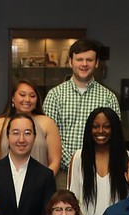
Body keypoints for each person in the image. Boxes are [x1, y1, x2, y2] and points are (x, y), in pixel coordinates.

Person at [42, 39, 121, 187]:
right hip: (62, 174)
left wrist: (89, 163)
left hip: (99, 172)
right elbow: (48, 136)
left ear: (96, 63)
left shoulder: (109, 98)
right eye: (79, 60)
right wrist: (74, 162)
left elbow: (114, 136)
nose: (84, 64)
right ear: (70, 62)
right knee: (63, 210)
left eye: (89, 60)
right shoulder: (55, 95)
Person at [67, 107, 128, 215]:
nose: (100, 131)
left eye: (106, 126)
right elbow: (72, 198)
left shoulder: (127, 158)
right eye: (95, 126)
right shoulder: (78, 157)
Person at [0, 79, 62, 173]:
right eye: (22, 95)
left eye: (32, 96)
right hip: (5, 184)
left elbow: (55, 161)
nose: (27, 99)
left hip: (40, 183)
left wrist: (44, 181)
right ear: (13, 98)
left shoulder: (47, 123)